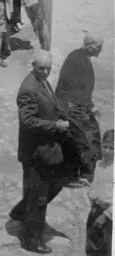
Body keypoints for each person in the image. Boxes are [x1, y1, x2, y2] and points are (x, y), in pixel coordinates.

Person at [9, 50, 70, 254]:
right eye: (41, 68)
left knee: (53, 183)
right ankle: (31, 239)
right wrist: (55, 125)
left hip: (45, 149)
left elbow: (49, 105)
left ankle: (20, 212)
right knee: (38, 197)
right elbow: (28, 121)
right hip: (35, 152)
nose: (45, 72)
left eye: (48, 68)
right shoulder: (28, 87)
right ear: (32, 65)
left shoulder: (41, 82)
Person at [55, 31, 103, 184]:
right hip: (71, 107)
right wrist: (90, 107)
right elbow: (72, 90)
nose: (101, 50)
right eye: (99, 47)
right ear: (89, 46)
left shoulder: (81, 57)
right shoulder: (77, 60)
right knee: (91, 136)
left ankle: (79, 172)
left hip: (74, 105)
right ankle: (83, 175)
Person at [86, 128, 113, 256]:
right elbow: (96, 184)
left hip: (108, 217)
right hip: (95, 211)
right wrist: (91, 193)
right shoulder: (99, 164)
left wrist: (105, 215)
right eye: (105, 146)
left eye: (112, 148)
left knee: (104, 253)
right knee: (91, 249)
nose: (107, 151)